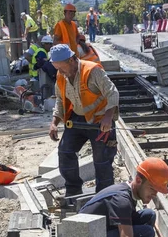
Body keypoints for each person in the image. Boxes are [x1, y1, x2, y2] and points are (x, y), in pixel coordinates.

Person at [48, 44, 119, 196]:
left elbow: (113, 93)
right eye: (57, 68)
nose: (59, 72)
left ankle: (104, 196)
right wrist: (54, 122)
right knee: (65, 152)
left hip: (100, 120)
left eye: (61, 68)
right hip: (77, 119)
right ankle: (73, 192)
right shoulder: (62, 76)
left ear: (72, 60)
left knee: (102, 161)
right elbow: (60, 101)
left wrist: (108, 118)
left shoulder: (92, 71)